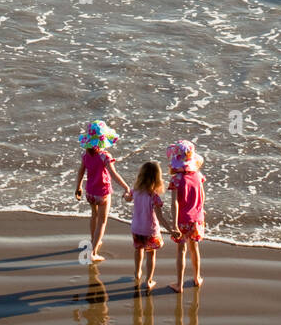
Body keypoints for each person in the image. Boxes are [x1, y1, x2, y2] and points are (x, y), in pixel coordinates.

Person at [74, 120, 130, 262]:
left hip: (90, 192)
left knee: (94, 216)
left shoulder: (86, 155)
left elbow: (80, 172)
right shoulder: (105, 156)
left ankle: (94, 240)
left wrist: (78, 187)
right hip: (103, 193)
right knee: (102, 222)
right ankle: (93, 252)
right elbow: (113, 174)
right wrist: (126, 187)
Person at [125, 160, 179, 289]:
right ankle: (148, 280)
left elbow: (128, 197)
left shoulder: (136, 191)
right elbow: (159, 217)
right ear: (157, 178)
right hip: (150, 230)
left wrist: (125, 195)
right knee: (151, 254)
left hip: (136, 228)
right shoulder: (154, 197)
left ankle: (137, 273)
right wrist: (171, 230)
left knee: (138, 250)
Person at [166, 139, 205, 290]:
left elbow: (174, 203)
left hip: (182, 220)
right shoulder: (198, 176)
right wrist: (200, 210)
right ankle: (197, 277)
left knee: (181, 251)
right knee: (194, 249)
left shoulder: (176, 180)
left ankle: (179, 284)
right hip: (197, 219)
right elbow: (202, 196)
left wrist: (174, 223)